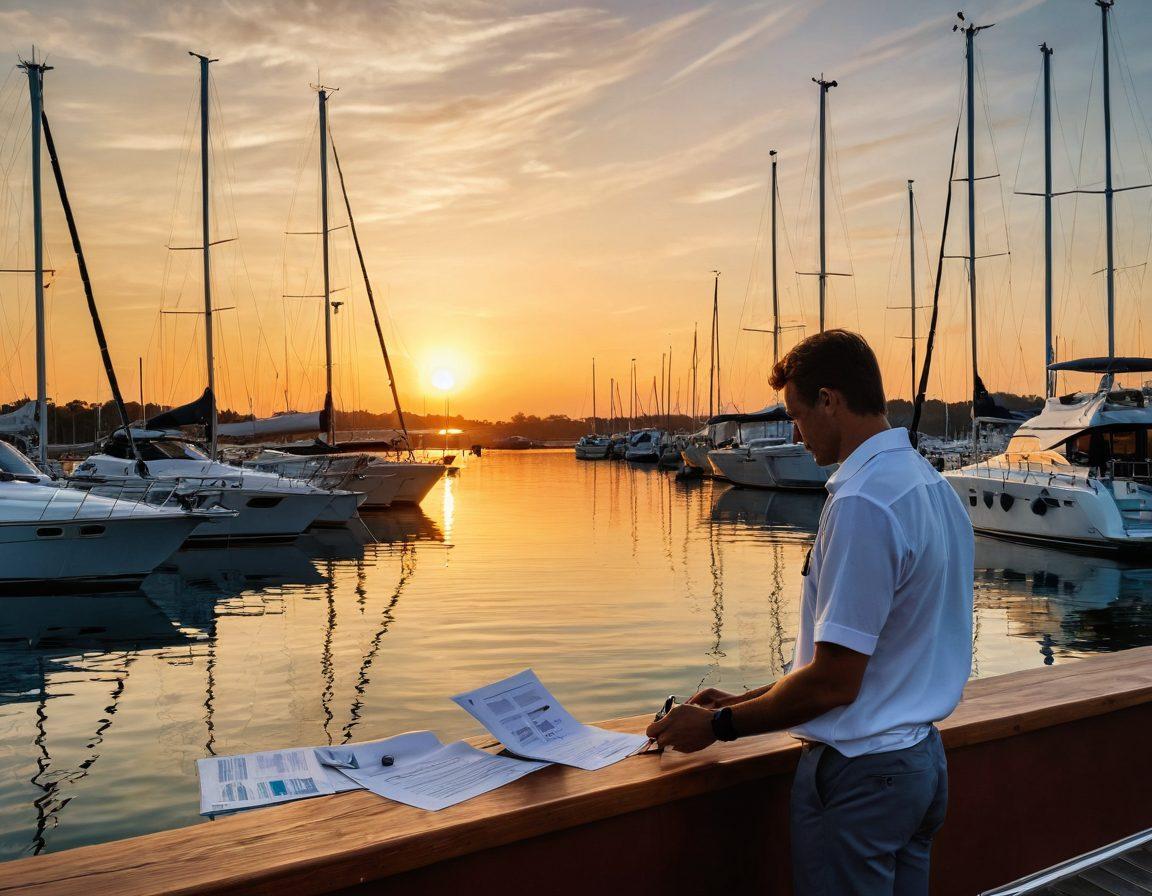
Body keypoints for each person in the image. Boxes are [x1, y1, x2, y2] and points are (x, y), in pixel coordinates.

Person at [646, 329, 973, 896]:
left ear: (830, 400)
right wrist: (746, 698)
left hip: (862, 779)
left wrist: (719, 726)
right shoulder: (932, 486)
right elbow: (876, 656)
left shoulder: (863, 502)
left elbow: (834, 684)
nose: (796, 434)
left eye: (798, 415)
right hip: (920, 765)